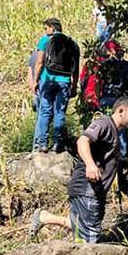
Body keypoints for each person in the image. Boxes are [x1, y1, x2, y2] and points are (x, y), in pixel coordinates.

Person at [29, 97, 128, 243]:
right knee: (90, 240)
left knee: (84, 226)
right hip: (87, 190)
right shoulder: (104, 124)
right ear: (120, 111)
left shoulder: (114, 132)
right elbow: (82, 141)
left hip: (94, 191)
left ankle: (45, 217)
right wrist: (90, 164)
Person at [32, 18, 80, 153]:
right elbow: (75, 68)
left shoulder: (45, 40)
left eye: (46, 28)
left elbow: (40, 62)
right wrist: (74, 86)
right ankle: (57, 144)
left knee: (45, 111)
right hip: (64, 81)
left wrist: (36, 80)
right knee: (60, 113)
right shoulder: (73, 44)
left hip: (48, 79)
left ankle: (42, 143)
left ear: (52, 28)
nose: (45, 31)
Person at [99, 40, 128, 154]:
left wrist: (97, 98)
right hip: (124, 101)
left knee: (105, 127)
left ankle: (105, 155)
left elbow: (98, 82)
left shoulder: (104, 65)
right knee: (122, 130)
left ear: (112, 52)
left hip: (107, 97)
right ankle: (122, 156)